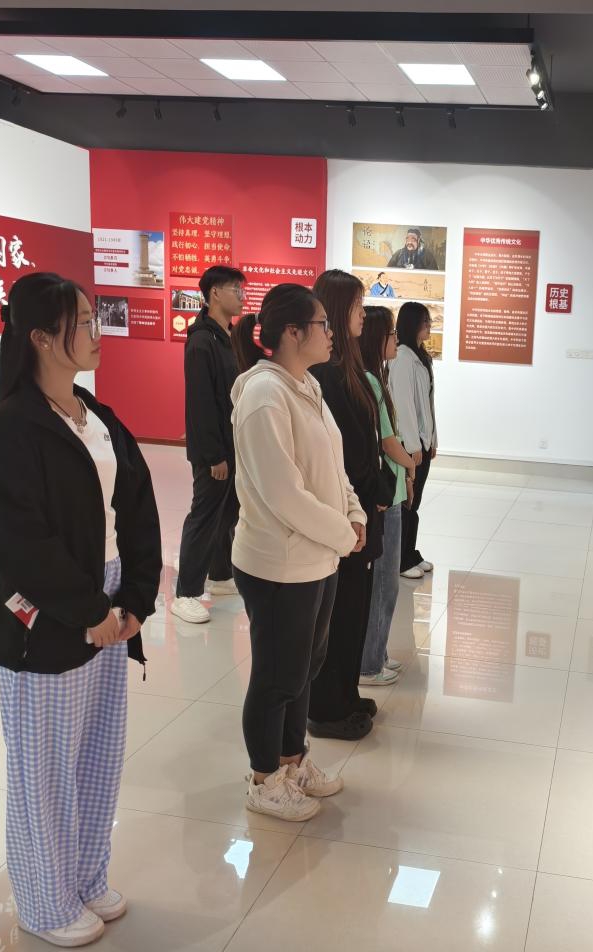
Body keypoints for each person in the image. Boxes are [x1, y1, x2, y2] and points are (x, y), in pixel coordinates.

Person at [0, 273, 161, 948]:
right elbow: (17, 540)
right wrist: (86, 609)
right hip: (50, 615)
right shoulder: (9, 431)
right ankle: (44, 903)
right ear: (42, 338)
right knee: (43, 769)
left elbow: (136, 506)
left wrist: (134, 599)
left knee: (97, 755)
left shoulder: (95, 416)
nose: (95, 330)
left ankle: (84, 875)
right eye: (82, 321)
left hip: (108, 601)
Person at [229, 283, 366, 821]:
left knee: (304, 669)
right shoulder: (264, 395)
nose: (330, 333)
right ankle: (264, 779)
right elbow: (284, 494)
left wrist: (353, 513)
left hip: (317, 558)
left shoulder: (306, 386)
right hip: (279, 564)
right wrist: (343, 534)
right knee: (276, 676)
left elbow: (333, 466)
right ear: (292, 332)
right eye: (322, 325)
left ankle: (293, 761)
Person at [307, 270, 391, 741]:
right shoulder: (327, 374)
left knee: (355, 608)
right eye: (358, 306)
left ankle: (346, 692)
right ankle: (327, 707)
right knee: (338, 615)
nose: (364, 314)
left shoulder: (349, 369)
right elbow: (346, 455)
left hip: (360, 509)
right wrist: (375, 491)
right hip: (346, 514)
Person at [172, 265, 245, 625]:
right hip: (213, 451)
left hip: (230, 444)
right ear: (214, 293)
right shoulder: (201, 341)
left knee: (227, 511)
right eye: (235, 290)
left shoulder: (224, 336)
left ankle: (219, 574)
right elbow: (201, 403)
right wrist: (215, 455)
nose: (242, 297)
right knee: (204, 516)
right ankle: (185, 592)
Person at [360, 306, 419, 686]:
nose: (397, 339)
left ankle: (377, 653)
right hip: (387, 493)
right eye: (391, 334)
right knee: (385, 582)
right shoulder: (370, 381)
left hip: (392, 490)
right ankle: (369, 663)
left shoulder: (375, 377)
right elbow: (387, 441)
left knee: (386, 583)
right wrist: (411, 466)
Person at [390, 301, 438, 579]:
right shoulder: (402, 357)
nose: (429, 326)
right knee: (407, 502)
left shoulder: (420, 356)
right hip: (412, 444)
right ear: (412, 324)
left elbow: (428, 404)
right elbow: (404, 405)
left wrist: (433, 439)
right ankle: (400, 559)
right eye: (425, 321)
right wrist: (413, 445)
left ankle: (410, 552)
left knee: (415, 501)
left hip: (423, 441)